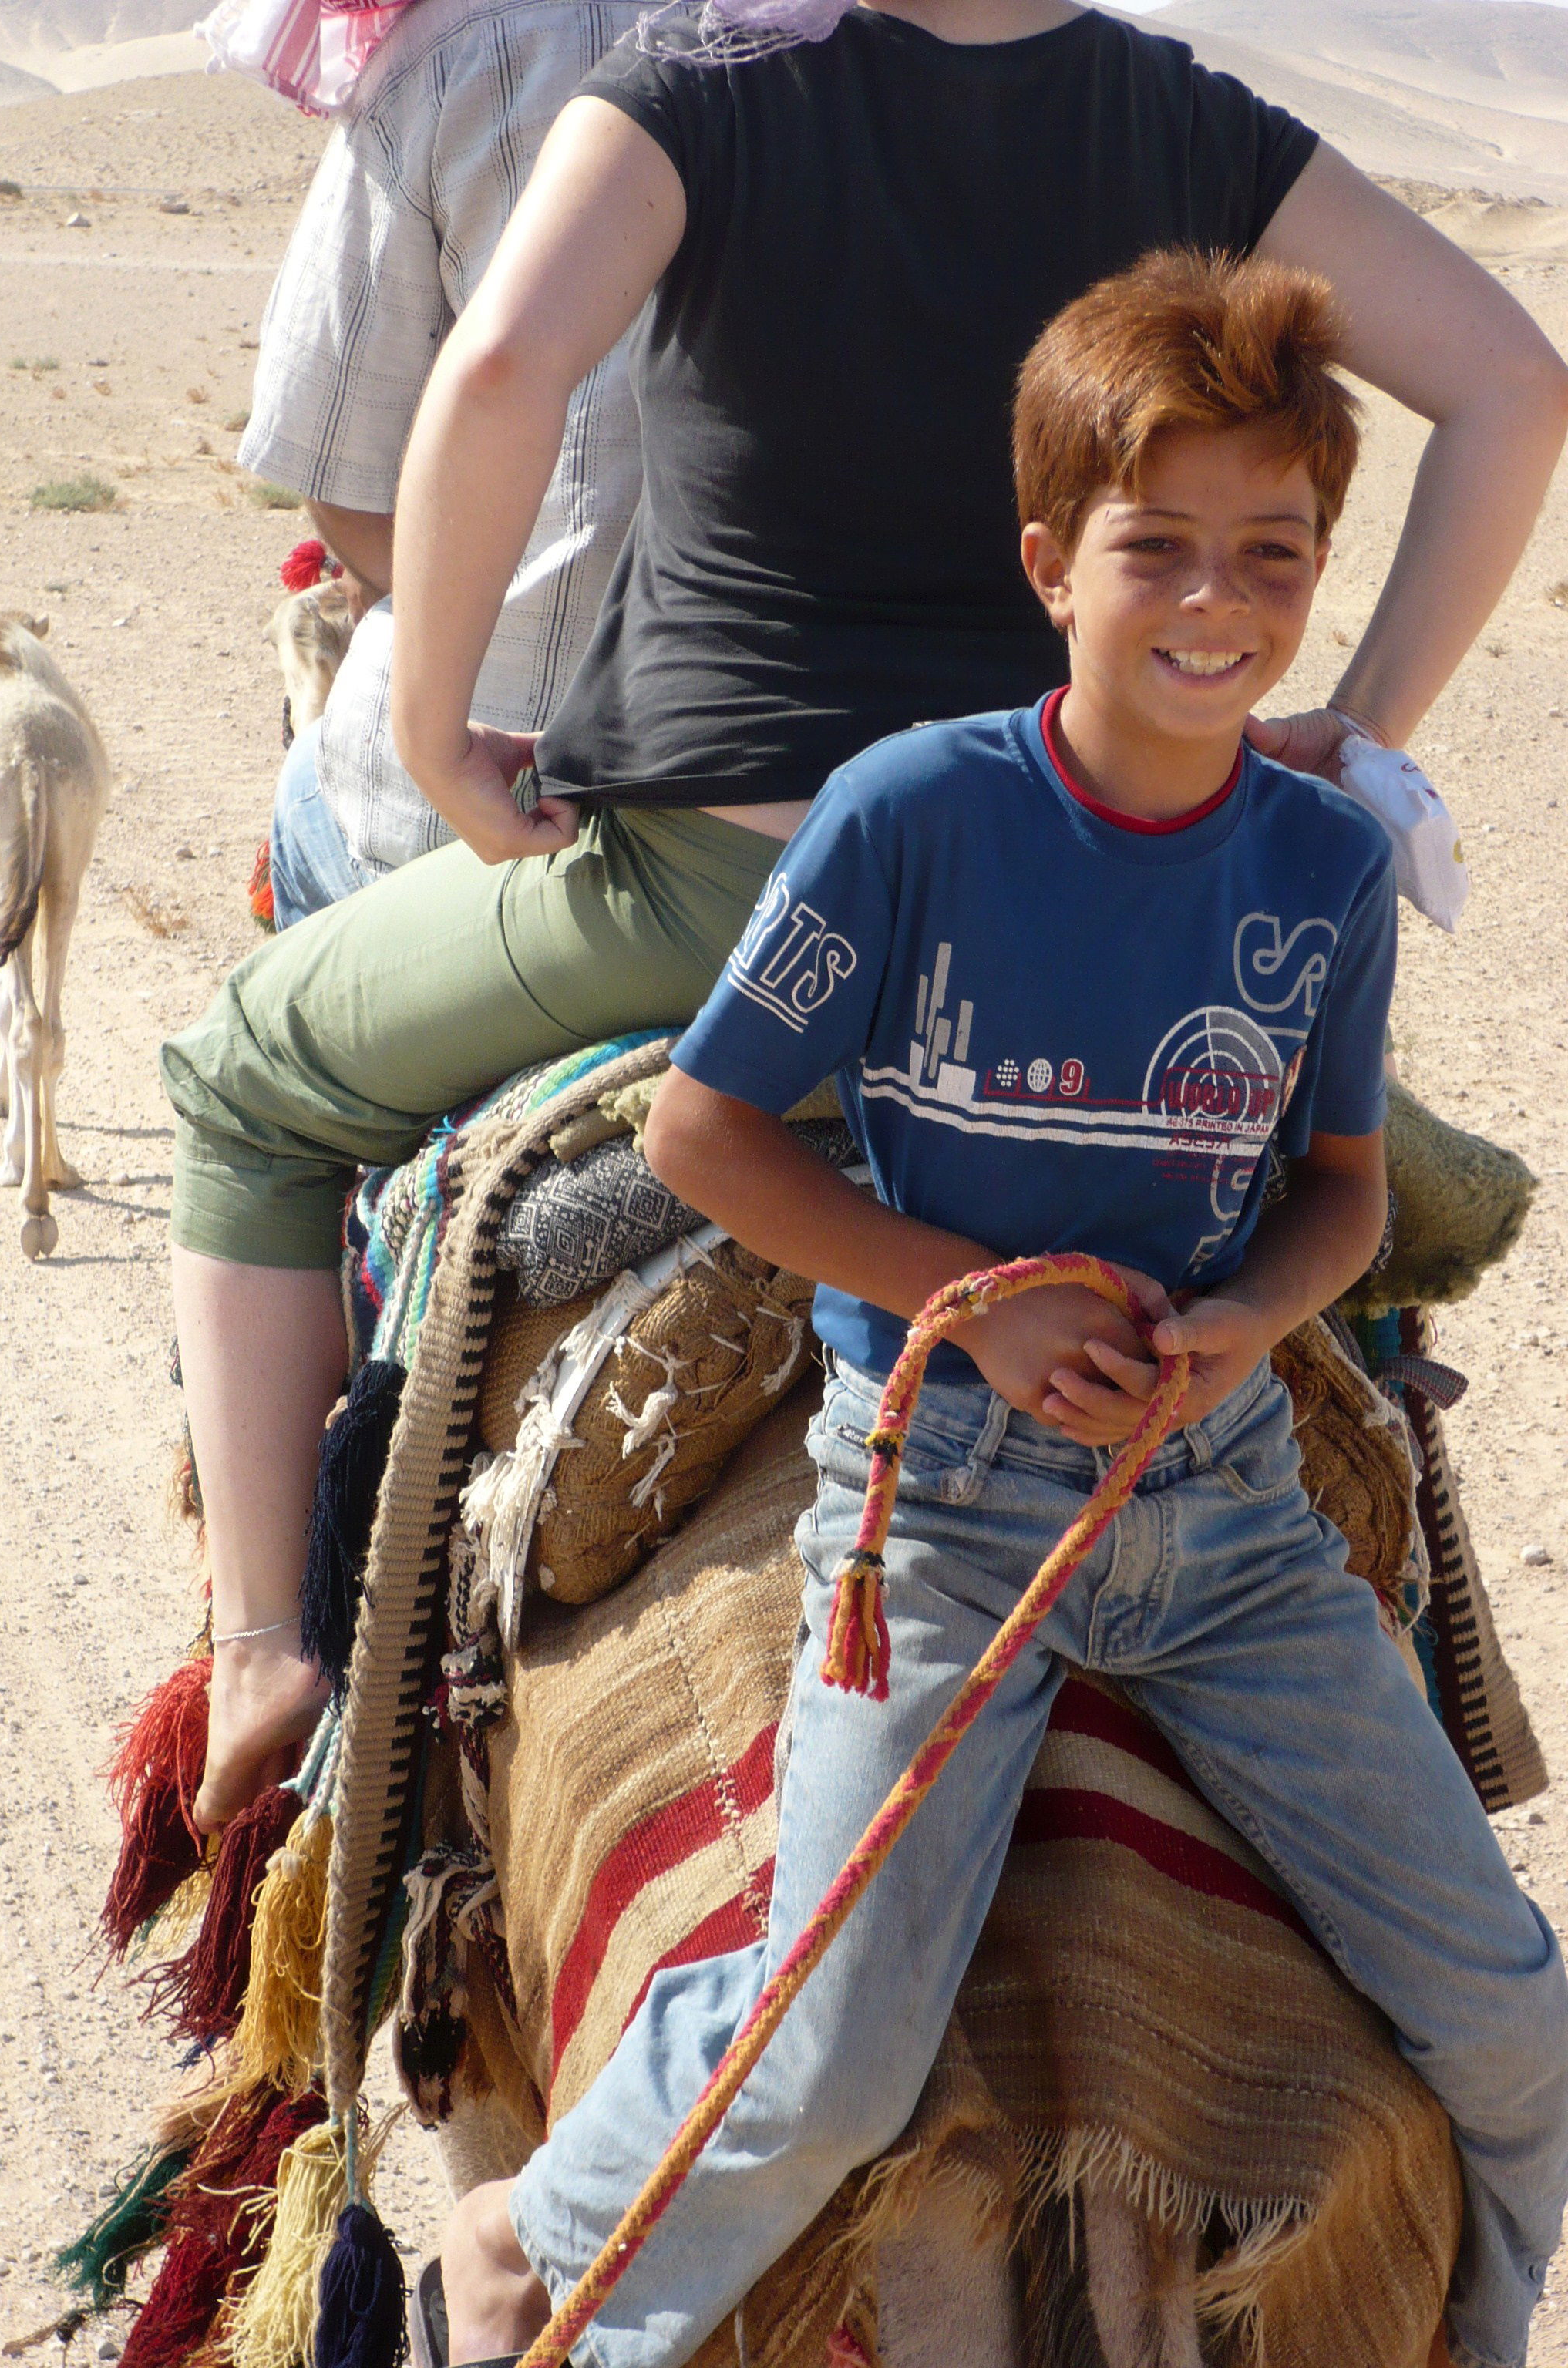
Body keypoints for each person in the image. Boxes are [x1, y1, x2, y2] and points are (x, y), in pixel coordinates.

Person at [162, 0, 1568, 1838]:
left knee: (244, 1080)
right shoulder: (1186, 118)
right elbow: (1517, 384)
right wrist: (1351, 726)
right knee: (1330, 1190)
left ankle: (268, 1638)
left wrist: (434, 724)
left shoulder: (695, 86)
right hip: (1080, 902)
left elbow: (499, 367)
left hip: (723, 890)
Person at [429, 250, 1568, 2368]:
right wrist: (985, 1308)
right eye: (1160, 548)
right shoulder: (914, 815)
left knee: (1511, 2014)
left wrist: (1254, 1322)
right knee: (842, 2065)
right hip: (944, 1515)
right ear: (1053, 562)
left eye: (1274, 552)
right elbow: (704, 1136)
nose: (1216, 600)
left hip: (1220, 1518)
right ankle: (533, 2257)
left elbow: (1332, 1195)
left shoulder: (1321, 869)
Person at [239, 0, 646, 926]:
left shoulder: (454, 47)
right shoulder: (867, 41)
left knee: (305, 805)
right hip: (843, 801)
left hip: (491, 792)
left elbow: (339, 478)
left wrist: (427, 598)